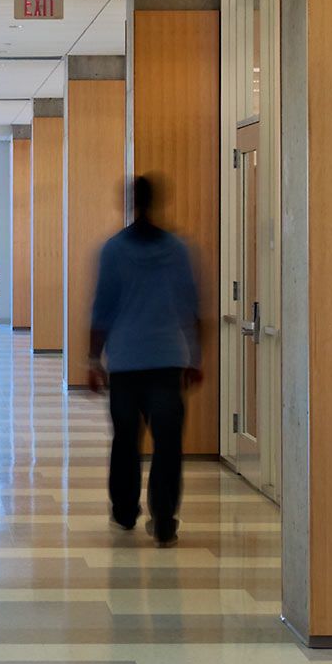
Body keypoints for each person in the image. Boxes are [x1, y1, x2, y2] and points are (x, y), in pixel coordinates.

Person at [88, 175, 202, 547]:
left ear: (130, 202)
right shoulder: (178, 250)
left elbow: (102, 308)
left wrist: (93, 359)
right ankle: (164, 519)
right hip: (167, 362)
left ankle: (125, 510)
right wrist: (196, 357)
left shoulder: (113, 250)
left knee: (125, 440)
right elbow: (191, 307)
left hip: (125, 362)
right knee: (168, 444)